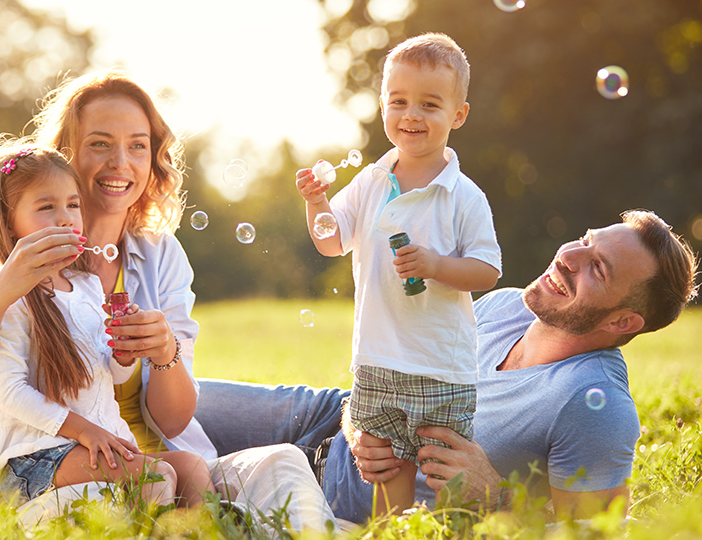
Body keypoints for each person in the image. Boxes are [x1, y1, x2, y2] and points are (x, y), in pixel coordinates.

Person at [0, 71, 336, 532]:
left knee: (282, 461)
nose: (121, 162)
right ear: (65, 156)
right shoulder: (7, 261)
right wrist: (1, 289)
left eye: (138, 145)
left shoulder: (160, 255)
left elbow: (174, 419)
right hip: (60, 470)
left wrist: (164, 354)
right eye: (100, 143)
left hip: (158, 458)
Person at [194, 210, 698, 521]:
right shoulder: (505, 306)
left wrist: (497, 498)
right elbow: (397, 365)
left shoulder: (596, 406)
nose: (569, 255)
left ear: (623, 320)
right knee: (161, 398)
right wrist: (357, 420)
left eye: (598, 268)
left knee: (174, 479)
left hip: (349, 493)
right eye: (586, 240)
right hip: (330, 414)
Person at [294, 32, 502, 514]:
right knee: (386, 464)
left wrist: (435, 265)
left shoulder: (463, 196)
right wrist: (317, 202)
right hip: (377, 357)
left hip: (439, 364)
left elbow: (487, 270)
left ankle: (457, 539)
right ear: (383, 104)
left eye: (430, 104)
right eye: (399, 101)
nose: (411, 115)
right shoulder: (370, 181)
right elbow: (330, 240)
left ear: (458, 115)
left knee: (444, 464)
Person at [0, 140, 213, 508]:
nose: (66, 218)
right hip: (34, 457)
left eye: (72, 205)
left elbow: (111, 377)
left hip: (89, 444)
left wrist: (123, 353)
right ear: (9, 220)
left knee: (191, 466)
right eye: (46, 207)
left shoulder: (86, 286)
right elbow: (9, 392)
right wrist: (84, 430)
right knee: (156, 475)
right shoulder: (8, 296)